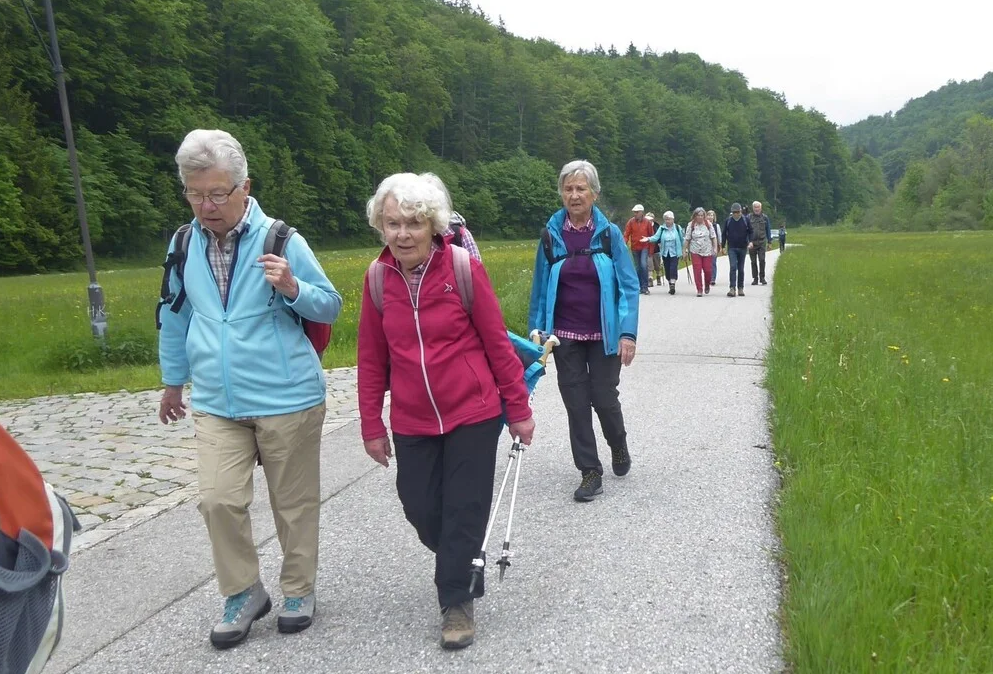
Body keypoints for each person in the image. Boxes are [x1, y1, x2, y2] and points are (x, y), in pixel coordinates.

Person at [157, 129, 342, 649]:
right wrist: (173, 382)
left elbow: (329, 304)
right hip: (216, 399)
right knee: (217, 500)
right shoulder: (183, 243)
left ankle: (298, 590)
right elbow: (174, 317)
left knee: (294, 504)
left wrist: (292, 287)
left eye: (217, 193)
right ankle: (243, 592)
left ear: (245, 186)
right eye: (195, 194)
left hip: (287, 396)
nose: (207, 206)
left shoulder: (281, 240)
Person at [356, 172, 535, 650]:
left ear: (432, 224)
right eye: (392, 224)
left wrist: (517, 407)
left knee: (465, 505)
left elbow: (498, 345)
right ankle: (461, 557)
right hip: (412, 417)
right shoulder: (377, 280)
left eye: (413, 223)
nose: (402, 234)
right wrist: (371, 424)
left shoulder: (461, 269)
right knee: (419, 505)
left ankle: (455, 600)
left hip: (473, 412)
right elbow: (372, 359)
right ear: (381, 226)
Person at [529, 160, 639, 502]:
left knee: (604, 399)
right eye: (568, 188)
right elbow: (539, 286)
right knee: (576, 403)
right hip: (564, 335)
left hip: (604, 335)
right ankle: (590, 471)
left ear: (594, 193)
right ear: (562, 193)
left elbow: (628, 285)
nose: (574, 195)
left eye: (581, 189)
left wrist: (627, 334)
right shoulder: (550, 235)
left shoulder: (609, 235)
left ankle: (617, 443)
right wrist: (536, 331)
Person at [640, 210, 685, 294]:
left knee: (673, 268)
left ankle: (672, 284)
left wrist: (684, 250)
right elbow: (656, 237)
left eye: (669, 219)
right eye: (666, 219)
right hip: (665, 252)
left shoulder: (677, 228)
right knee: (667, 269)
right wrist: (648, 239)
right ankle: (670, 281)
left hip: (675, 252)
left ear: (673, 219)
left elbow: (682, 240)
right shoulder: (662, 228)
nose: (667, 221)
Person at [683, 207, 718, 296]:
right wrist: (685, 251)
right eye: (698, 215)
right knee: (697, 270)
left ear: (704, 216)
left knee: (708, 270)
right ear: (695, 216)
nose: (700, 217)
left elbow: (713, 237)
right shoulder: (691, 225)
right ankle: (699, 289)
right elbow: (687, 239)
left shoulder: (708, 224)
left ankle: (707, 284)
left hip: (707, 250)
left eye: (702, 215)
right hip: (695, 251)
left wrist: (715, 248)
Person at [623, 203, 655, 295]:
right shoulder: (631, 222)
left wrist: (651, 251)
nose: (635, 214)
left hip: (644, 247)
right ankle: (638, 286)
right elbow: (626, 234)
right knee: (637, 267)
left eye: (637, 212)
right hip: (634, 247)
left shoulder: (647, 222)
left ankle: (645, 287)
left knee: (643, 265)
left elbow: (651, 236)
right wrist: (623, 244)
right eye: (634, 212)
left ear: (642, 212)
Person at [721, 202, 751, 297]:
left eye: (738, 212)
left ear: (741, 211)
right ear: (732, 212)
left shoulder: (746, 220)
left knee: (741, 268)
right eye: (734, 212)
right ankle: (732, 288)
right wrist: (722, 246)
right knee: (733, 267)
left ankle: (740, 288)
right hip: (732, 248)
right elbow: (724, 234)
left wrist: (750, 242)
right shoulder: (728, 221)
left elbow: (751, 231)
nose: (736, 214)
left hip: (743, 247)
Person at [747, 201, 772, 285]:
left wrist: (769, 242)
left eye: (758, 207)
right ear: (753, 208)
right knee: (753, 262)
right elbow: (746, 230)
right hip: (752, 243)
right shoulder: (749, 217)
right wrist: (748, 241)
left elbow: (768, 230)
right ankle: (755, 278)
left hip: (762, 242)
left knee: (762, 260)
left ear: (761, 208)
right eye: (755, 207)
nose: (756, 209)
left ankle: (762, 277)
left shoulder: (765, 218)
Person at [645, 212, 664, 286]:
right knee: (649, 265)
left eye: (650, 219)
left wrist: (660, 244)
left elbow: (660, 237)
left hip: (656, 249)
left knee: (657, 265)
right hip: (647, 249)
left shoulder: (657, 226)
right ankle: (650, 279)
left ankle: (658, 276)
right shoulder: (644, 226)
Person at [707, 209, 721, 286]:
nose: (710, 217)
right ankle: (708, 277)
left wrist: (720, 245)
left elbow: (719, 236)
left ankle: (713, 278)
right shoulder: (704, 225)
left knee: (713, 262)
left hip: (714, 246)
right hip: (705, 246)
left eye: (712, 215)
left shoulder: (716, 226)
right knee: (707, 263)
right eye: (709, 215)